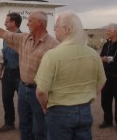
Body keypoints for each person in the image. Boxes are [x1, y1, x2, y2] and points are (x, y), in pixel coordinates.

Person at [0, 11, 58, 140]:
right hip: (23, 88)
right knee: (24, 126)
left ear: (39, 23)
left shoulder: (54, 45)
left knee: (40, 127)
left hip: (40, 90)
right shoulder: (23, 38)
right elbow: (1, 33)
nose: (27, 23)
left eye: (30, 21)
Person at [35, 11, 106, 140]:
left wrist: (45, 106)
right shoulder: (94, 54)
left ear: (66, 29)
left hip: (59, 112)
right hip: (84, 111)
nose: (54, 30)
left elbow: (40, 91)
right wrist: (90, 96)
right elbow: (101, 81)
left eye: (56, 27)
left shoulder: (52, 56)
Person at [0, 13, 22, 132]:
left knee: (23, 101)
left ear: (13, 23)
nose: (4, 24)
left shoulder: (24, 38)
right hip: (7, 73)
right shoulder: (5, 38)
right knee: (6, 99)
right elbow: (4, 55)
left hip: (21, 74)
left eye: (6, 22)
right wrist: (0, 70)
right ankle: (9, 123)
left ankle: (25, 125)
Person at [98, 23, 117, 133]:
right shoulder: (106, 44)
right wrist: (104, 59)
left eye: (108, 30)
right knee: (105, 101)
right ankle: (107, 121)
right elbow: (100, 57)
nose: (106, 32)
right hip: (106, 77)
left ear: (116, 32)